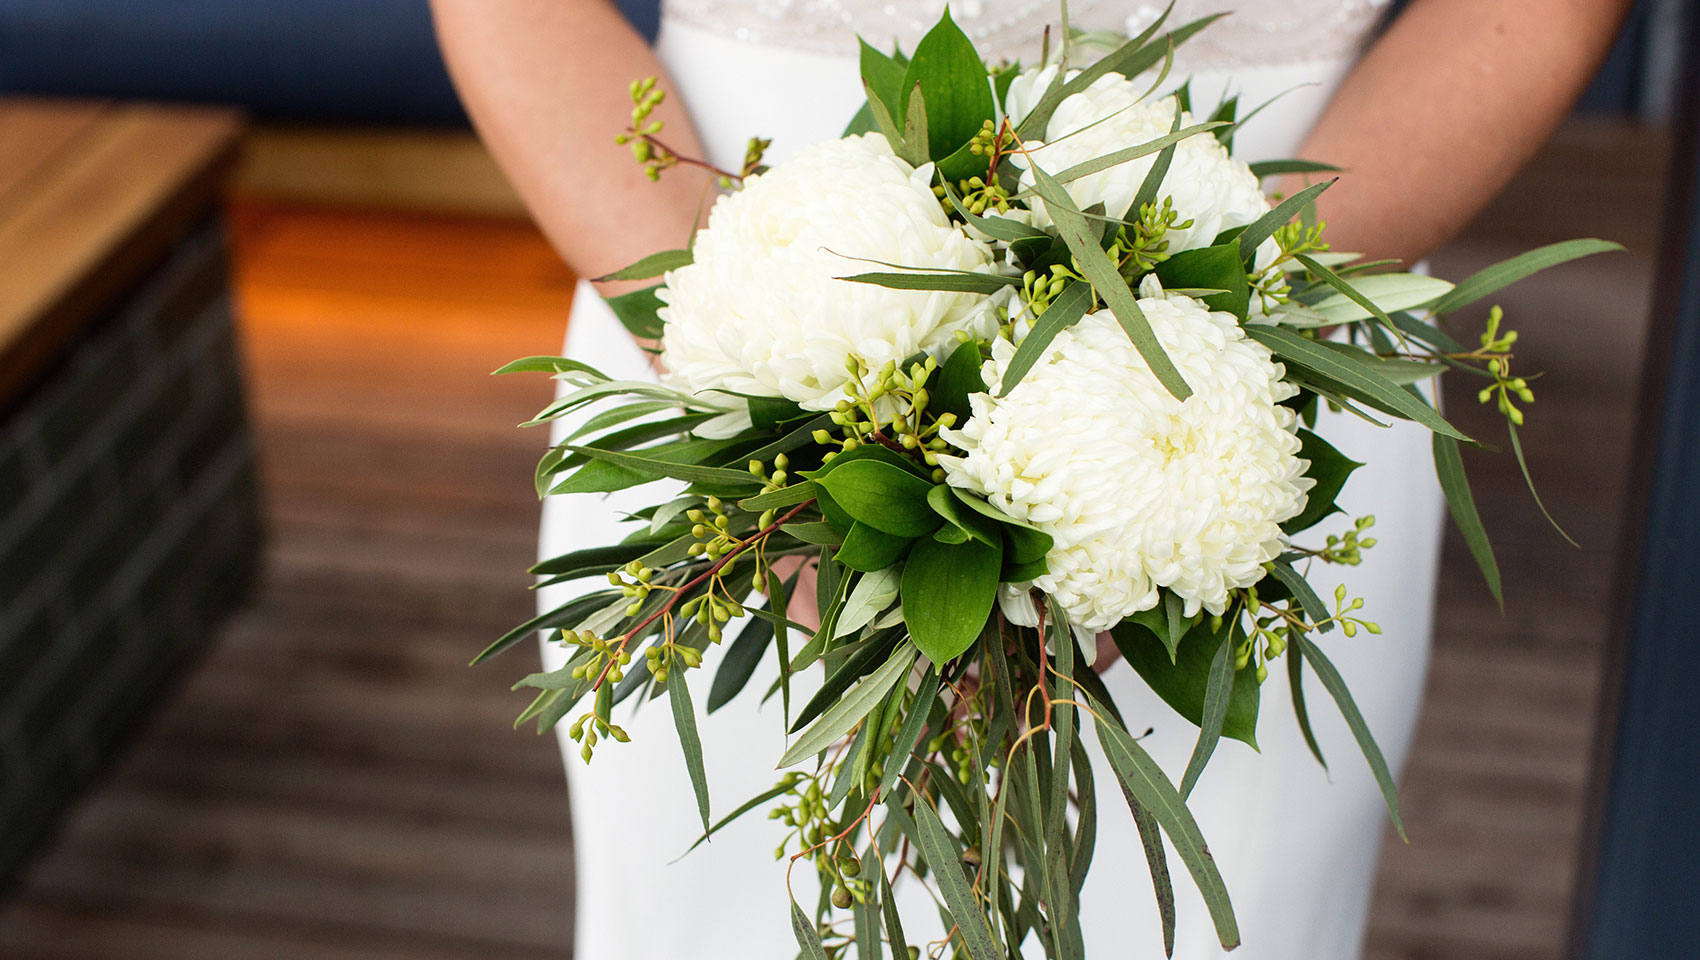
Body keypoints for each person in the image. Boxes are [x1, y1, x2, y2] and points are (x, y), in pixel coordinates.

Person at [430, 1, 1631, 957]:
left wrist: (1202, 375)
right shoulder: (730, 360)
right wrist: (757, 403)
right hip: (713, 280)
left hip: (1270, 319)